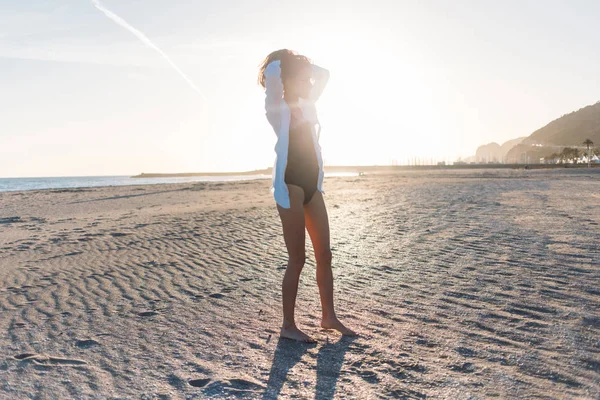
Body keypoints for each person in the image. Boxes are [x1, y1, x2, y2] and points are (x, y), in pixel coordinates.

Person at [258, 49, 356, 342]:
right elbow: (274, 74)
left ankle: (329, 317)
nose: (311, 83)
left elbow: (324, 75)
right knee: (297, 258)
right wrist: (284, 60)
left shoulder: (308, 104)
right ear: (289, 79)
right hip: (290, 185)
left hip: (313, 184)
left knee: (324, 254)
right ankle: (288, 326)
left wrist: (305, 65)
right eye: (304, 79)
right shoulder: (277, 109)